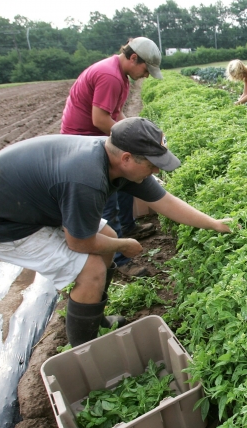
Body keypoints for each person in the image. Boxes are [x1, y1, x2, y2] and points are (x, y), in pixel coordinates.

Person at [0, 117, 232, 347]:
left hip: (26, 204)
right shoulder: (87, 179)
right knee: (91, 269)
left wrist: (215, 223)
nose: (156, 169)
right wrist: (125, 245)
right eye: (152, 163)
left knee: (109, 238)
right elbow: (78, 241)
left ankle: (95, 318)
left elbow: (165, 202)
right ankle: (85, 350)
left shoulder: (117, 162)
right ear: (126, 158)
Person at [61, 37, 164, 277]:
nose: (146, 75)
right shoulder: (110, 76)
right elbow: (100, 120)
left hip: (95, 137)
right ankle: (118, 260)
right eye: (145, 70)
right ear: (133, 58)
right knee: (108, 200)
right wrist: (133, 142)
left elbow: (116, 115)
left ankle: (128, 227)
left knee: (126, 183)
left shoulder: (121, 76)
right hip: (84, 142)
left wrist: (134, 132)